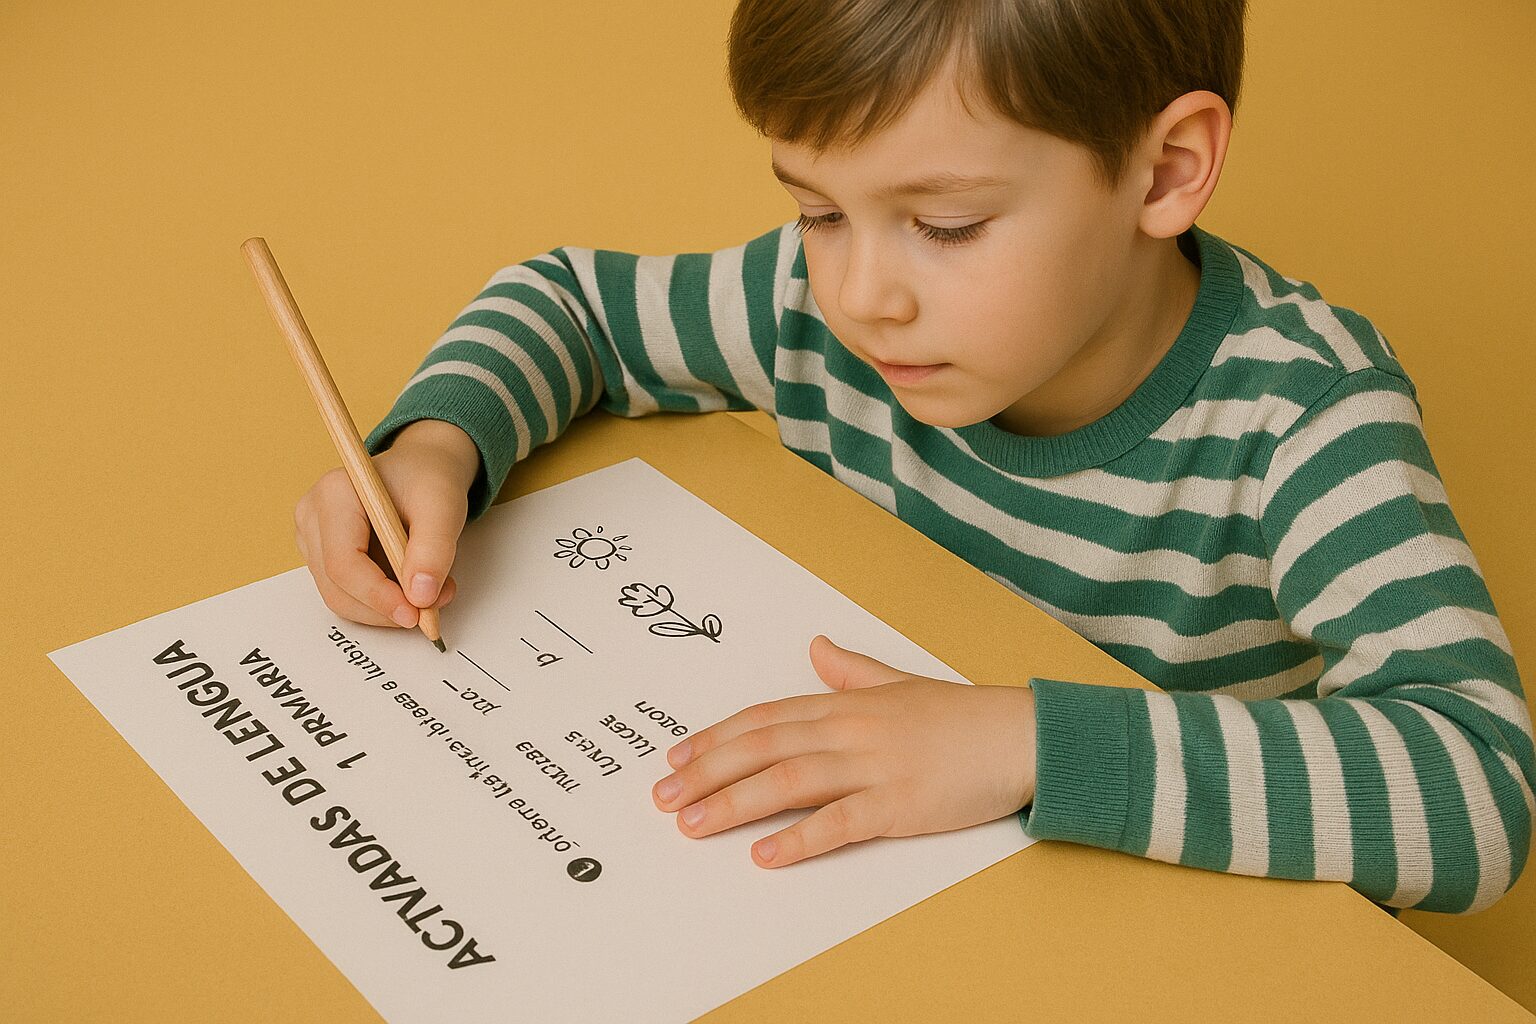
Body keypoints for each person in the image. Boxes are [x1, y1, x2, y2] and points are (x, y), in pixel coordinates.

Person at [292, 0, 1532, 914]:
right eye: (819, 210)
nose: (859, 294)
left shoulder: (1302, 413)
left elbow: (1478, 783)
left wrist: (1024, 747)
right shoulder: (813, 302)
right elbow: (573, 306)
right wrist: (440, 445)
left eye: (945, 225)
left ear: (1165, 169)